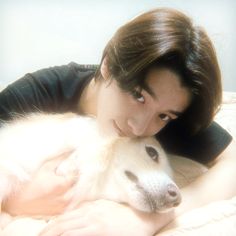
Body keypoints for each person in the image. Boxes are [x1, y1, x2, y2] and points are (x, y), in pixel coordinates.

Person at [0, 7, 235, 236]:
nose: (139, 127)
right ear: (108, 66)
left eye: (164, 115)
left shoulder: (167, 119)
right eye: (138, 96)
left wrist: (151, 220)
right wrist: (14, 202)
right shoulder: (38, 93)